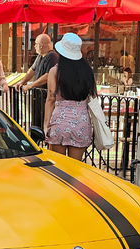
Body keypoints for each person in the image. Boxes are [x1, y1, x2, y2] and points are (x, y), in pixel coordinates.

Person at [44, 33, 96, 161]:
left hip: (59, 121)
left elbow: (50, 99)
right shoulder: (87, 70)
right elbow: (93, 96)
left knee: (58, 166)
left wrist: (46, 125)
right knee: (75, 167)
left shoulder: (55, 71)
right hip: (82, 121)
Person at [14, 34, 59, 128]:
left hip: (46, 96)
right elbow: (32, 70)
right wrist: (22, 82)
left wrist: (31, 85)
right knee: (36, 121)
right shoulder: (40, 56)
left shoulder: (52, 56)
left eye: (35, 44)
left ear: (41, 45)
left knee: (44, 121)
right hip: (38, 96)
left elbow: (48, 76)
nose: (34, 46)